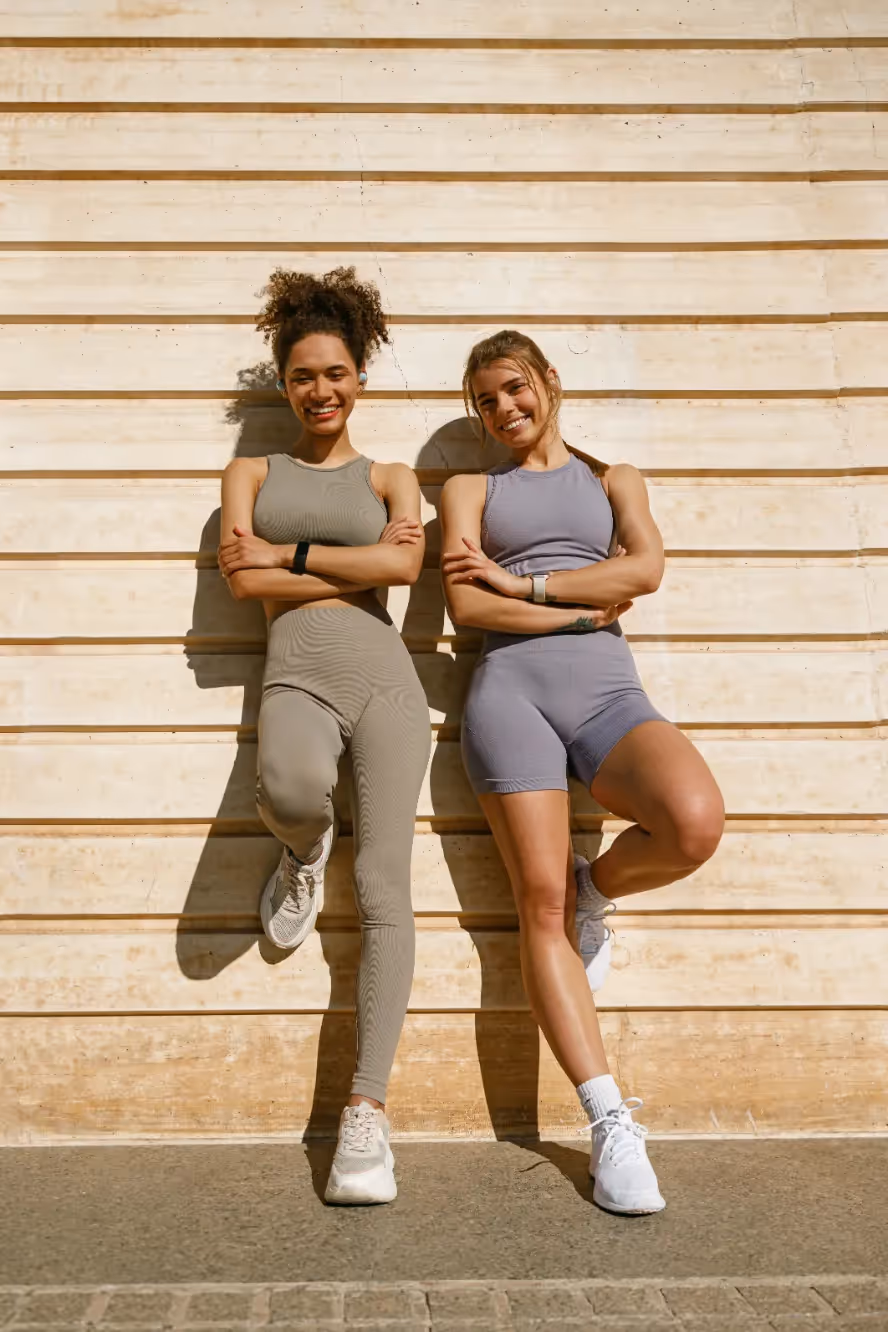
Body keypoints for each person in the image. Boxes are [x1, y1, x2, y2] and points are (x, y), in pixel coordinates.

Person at [440, 330, 725, 1214]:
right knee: (539, 909)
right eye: (486, 401)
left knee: (692, 822)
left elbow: (646, 568)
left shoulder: (614, 480)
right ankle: (607, 1122)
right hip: (508, 701)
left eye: (515, 389)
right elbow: (462, 601)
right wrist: (584, 603)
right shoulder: (467, 488)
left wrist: (524, 589)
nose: (503, 411)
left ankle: (597, 883)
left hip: (610, 697)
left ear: (549, 383)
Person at [218, 267, 431, 1205]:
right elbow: (242, 586)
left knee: (387, 889)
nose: (320, 390)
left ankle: (367, 1115)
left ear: (360, 376)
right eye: (302, 375)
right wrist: (352, 569)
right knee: (293, 792)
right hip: (298, 672)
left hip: (386, 682)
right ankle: (305, 851)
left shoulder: (391, 475)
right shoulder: (250, 474)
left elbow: (403, 566)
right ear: (283, 381)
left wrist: (290, 556)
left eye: (336, 373)